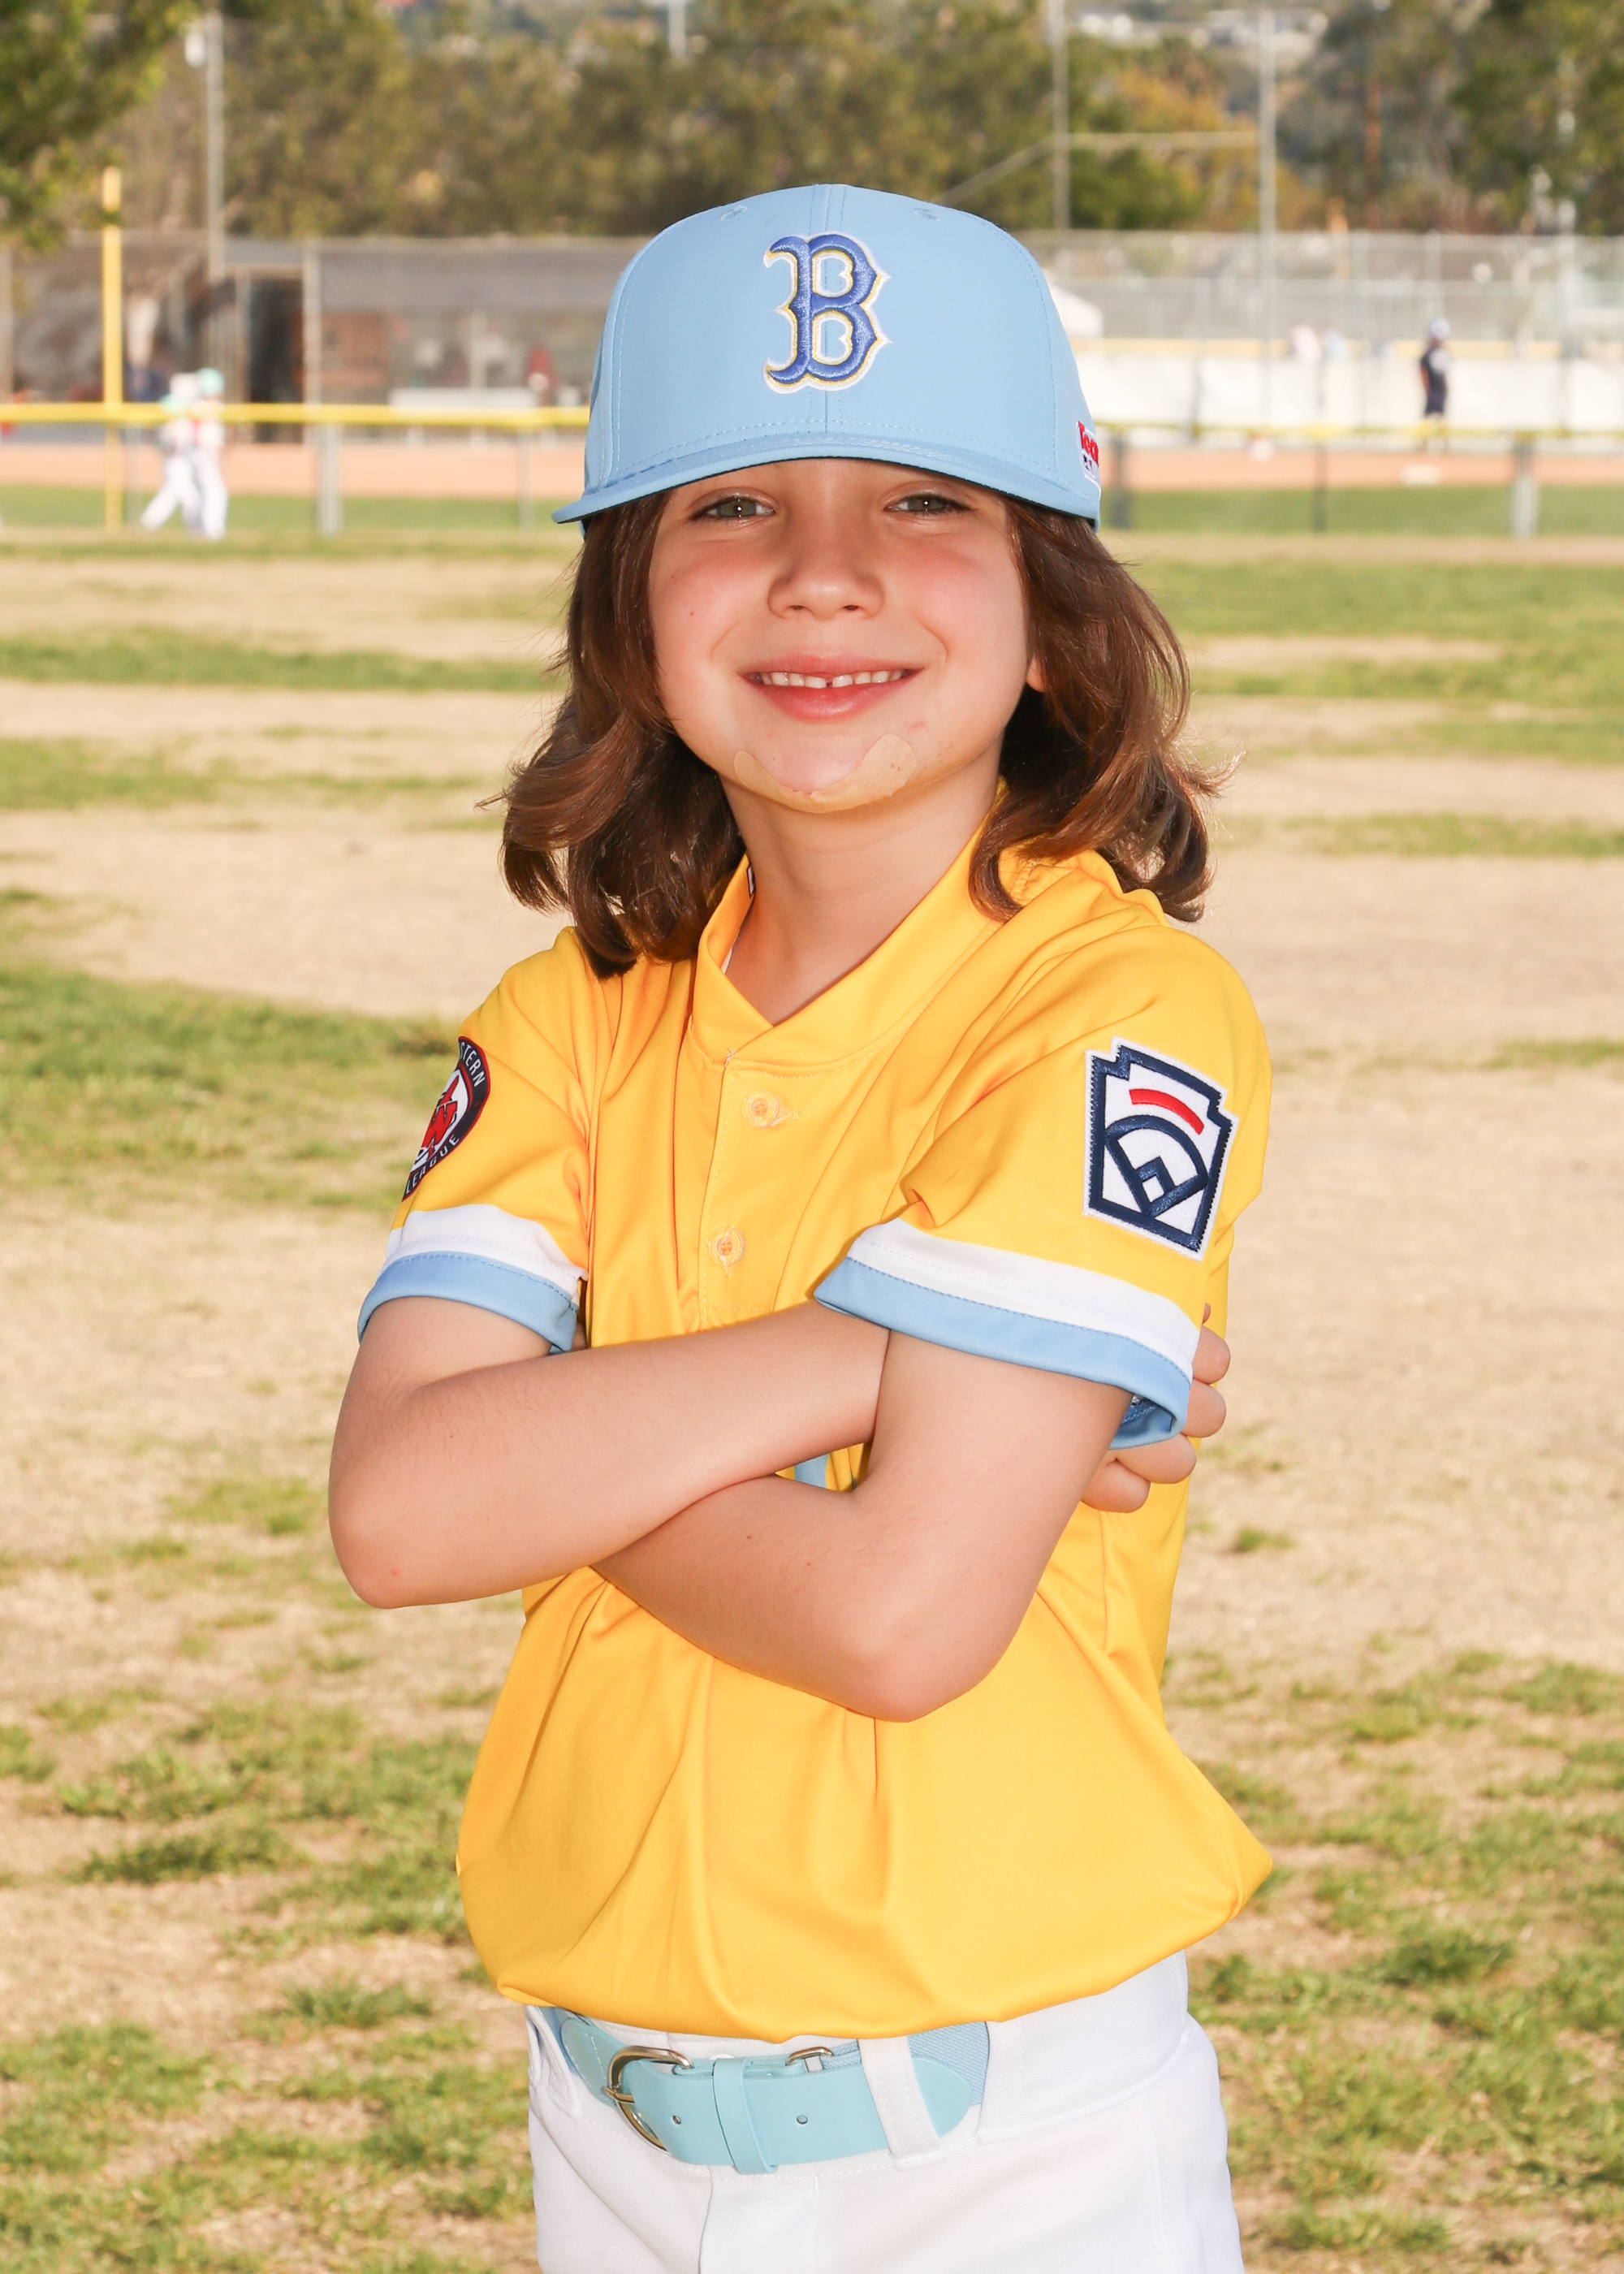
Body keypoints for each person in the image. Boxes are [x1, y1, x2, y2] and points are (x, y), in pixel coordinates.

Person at [330, 183, 1272, 2274]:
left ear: (1053, 602)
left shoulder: (1114, 1005)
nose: (824, 572)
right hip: (603, 2133)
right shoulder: (571, 1013)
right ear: (627, 606)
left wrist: (561, 1438)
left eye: (926, 501)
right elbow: (395, 1513)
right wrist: (877, 1353)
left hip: (1010, 2155)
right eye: (731, 504)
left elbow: (894, 1617)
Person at [138, 373, 201, 533]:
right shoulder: (172, 405)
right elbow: (163, 435)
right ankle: (196, 530)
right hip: (175, 459)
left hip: (183, 458)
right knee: (190, 497)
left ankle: (148, 522)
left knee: (171, 494)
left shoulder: (186, 407)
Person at [188, 366, 230, 540]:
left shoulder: (204, 405)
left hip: (204, 453)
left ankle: (198, 529)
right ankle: (212, 530)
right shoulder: (201, 406)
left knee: (203, 492)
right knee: (216, 492)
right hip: (203, 453)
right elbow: (196, 432)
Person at [1420, 318, 1451, 422]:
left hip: (1440, 391)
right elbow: (1423, 372)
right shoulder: (1428, 354)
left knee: (1440, 418)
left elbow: (1443, 373)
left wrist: (1446, 387)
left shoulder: (1443, 353)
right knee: (1428, 418)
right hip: (1432, 391)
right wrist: (1427, 390)